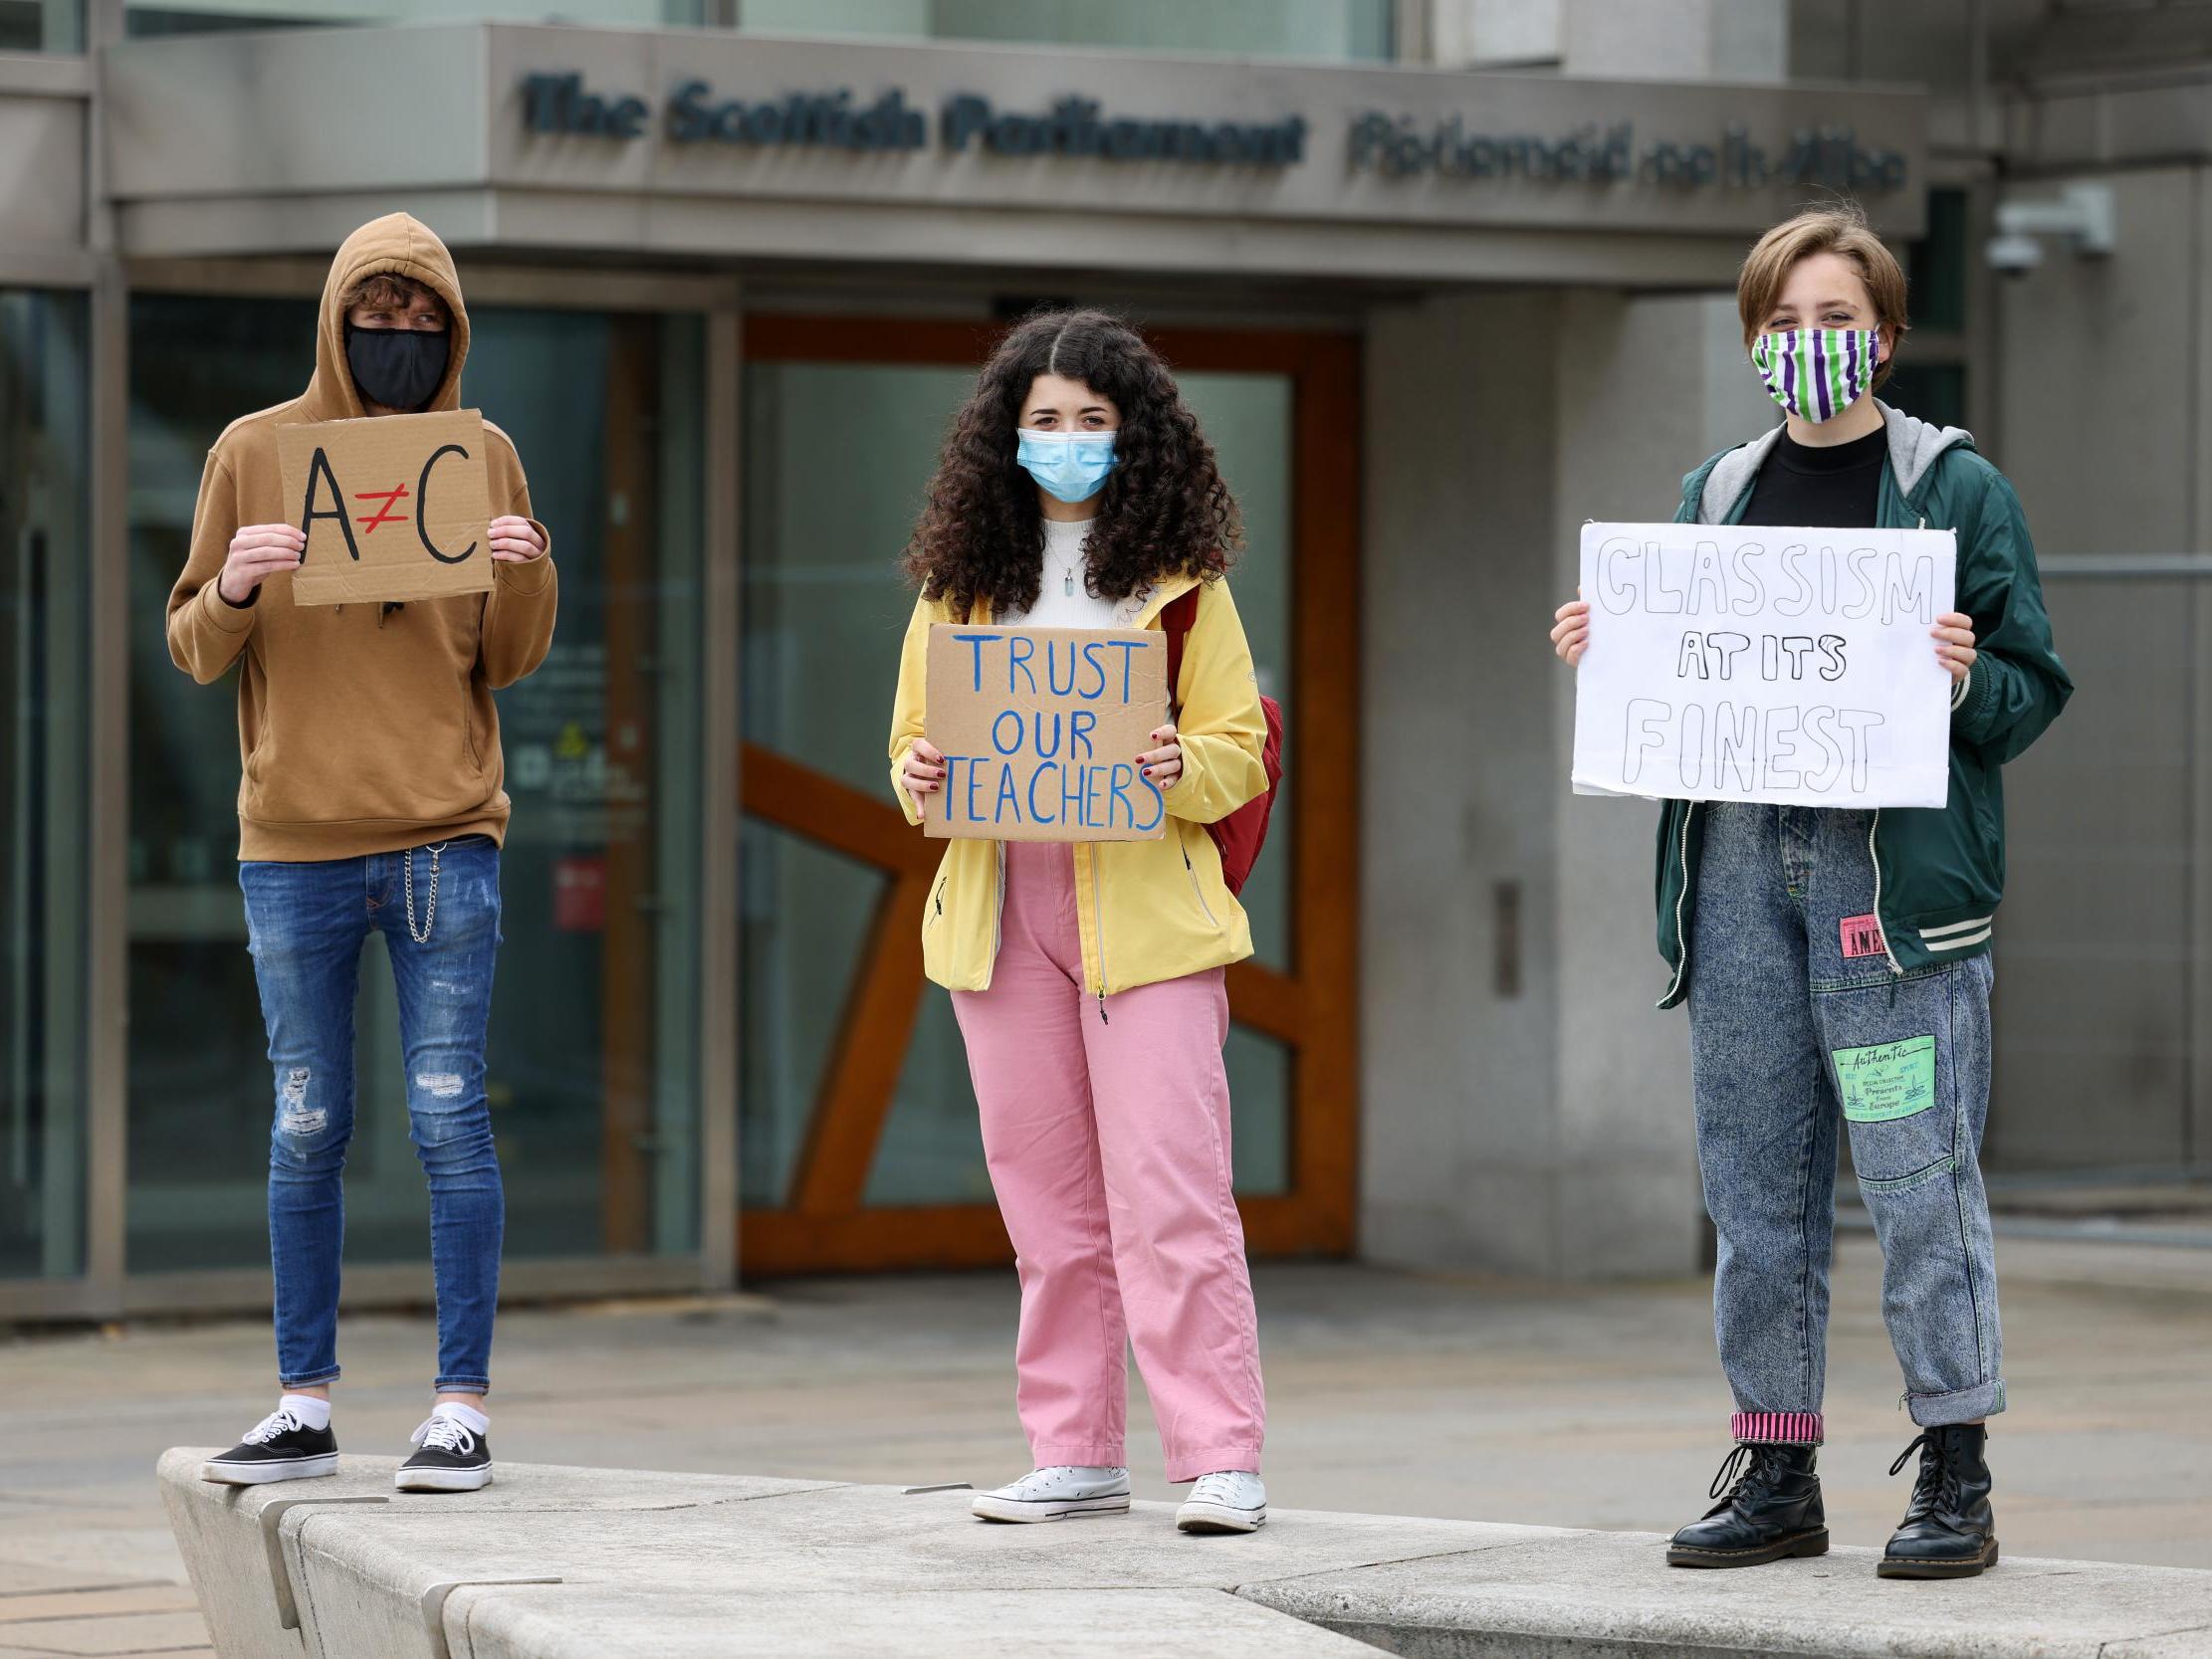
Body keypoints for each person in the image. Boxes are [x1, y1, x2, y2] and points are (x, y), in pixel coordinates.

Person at [1550, 205, 2070, 1579]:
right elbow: (1673, 678)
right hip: (1737, 877)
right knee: (1751, 1178)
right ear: (1750, 341)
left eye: (1835, 319)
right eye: (1782, 322)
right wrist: (1610, 650)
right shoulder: (1714, 492)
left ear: (1886, 337)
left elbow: (2030, 693)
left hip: (1881, 896)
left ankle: (1953, 1462)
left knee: (1913, 1175)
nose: (1807, 344)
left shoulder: (1953, 490)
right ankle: (1775, 1461)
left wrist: (1964, 674)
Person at [169, 213, 555, 1495]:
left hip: (446, 834)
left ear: (451, 330)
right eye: (373, 316)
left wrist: (524, 570)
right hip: (293, 844)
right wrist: (231, 583)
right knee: (305, 1120)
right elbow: (190, 644)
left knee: (451, 1121)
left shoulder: (483, 454)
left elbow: (508, 657)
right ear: (334, 321)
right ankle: (301, 1401)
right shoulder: (254, 453)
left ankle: (459, 1407)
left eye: (420, 318)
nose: (396, 337)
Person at [888, 310, 1272, 1534]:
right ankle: (1073, 1448)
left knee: (1172, 1192)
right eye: (1043, 420)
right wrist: (922, 779)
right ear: (1006, 438)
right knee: (1045, 1208)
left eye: (1090, 421)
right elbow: (909, 750)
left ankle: (1218, 1454)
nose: (1064, 440)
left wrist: (1173, 764)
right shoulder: (958, 588)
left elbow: (1238, 748)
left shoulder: (1182, 590)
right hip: (1004, 910)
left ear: (1133, 436)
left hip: (1147, 911)